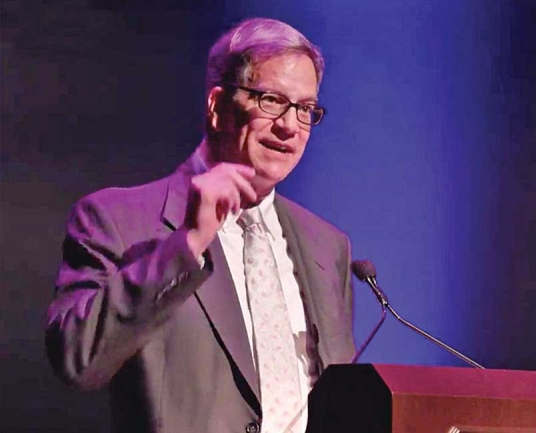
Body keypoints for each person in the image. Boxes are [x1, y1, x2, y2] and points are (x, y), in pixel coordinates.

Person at [45, 17, 355, 433]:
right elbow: (78, 361)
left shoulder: (328, 246)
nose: (289, 125)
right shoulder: (115, 219)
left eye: (304, 109)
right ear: (217, 107)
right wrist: (186, 244)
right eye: (270, 100)